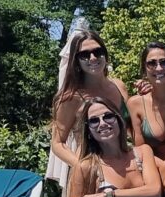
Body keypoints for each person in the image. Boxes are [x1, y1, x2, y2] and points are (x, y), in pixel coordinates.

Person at [51, 31, 131, 170]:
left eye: (98, 52)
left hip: (126, 164)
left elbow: (132, 127)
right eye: (85, 55)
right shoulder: (71, 98)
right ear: (76, 61)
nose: (93, 58)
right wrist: (84, 167)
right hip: (94, 170)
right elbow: (57, 143)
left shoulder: (119, 86)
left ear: (105, 54)